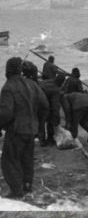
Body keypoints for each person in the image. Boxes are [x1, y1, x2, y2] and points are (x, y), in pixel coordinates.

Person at [0, 57, 49, 198]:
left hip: (16, 130)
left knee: (10, 160)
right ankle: (27, 187)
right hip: (31, 130)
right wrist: (39, 125)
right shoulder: (32, 84)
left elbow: (6, 112)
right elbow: (45, 105)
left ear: (8, 70)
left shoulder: (9, 86)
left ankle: (16, 192)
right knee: (27, 159)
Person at [39, 73, 65, 146]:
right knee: (51, 121)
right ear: (61, 82)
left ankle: (42, 140)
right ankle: (50, 139)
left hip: (36, 102)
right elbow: (55, 106)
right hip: (44, 105)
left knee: (41, 123)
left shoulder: (47, 81)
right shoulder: (55, 90)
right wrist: (57, 118)